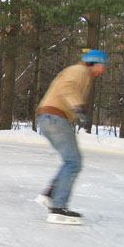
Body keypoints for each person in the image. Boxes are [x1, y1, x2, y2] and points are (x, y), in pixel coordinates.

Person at [34, 49, 108, 225]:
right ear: (94, 62)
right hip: (54, 118)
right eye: (102, 65)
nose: (103, 70)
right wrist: (78, 106)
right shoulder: (79, 71)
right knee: (73, 162)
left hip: (51, 118)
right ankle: (58, 208)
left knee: (70, 161)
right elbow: (67, 87)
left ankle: (50, 194)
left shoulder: (82, 74)